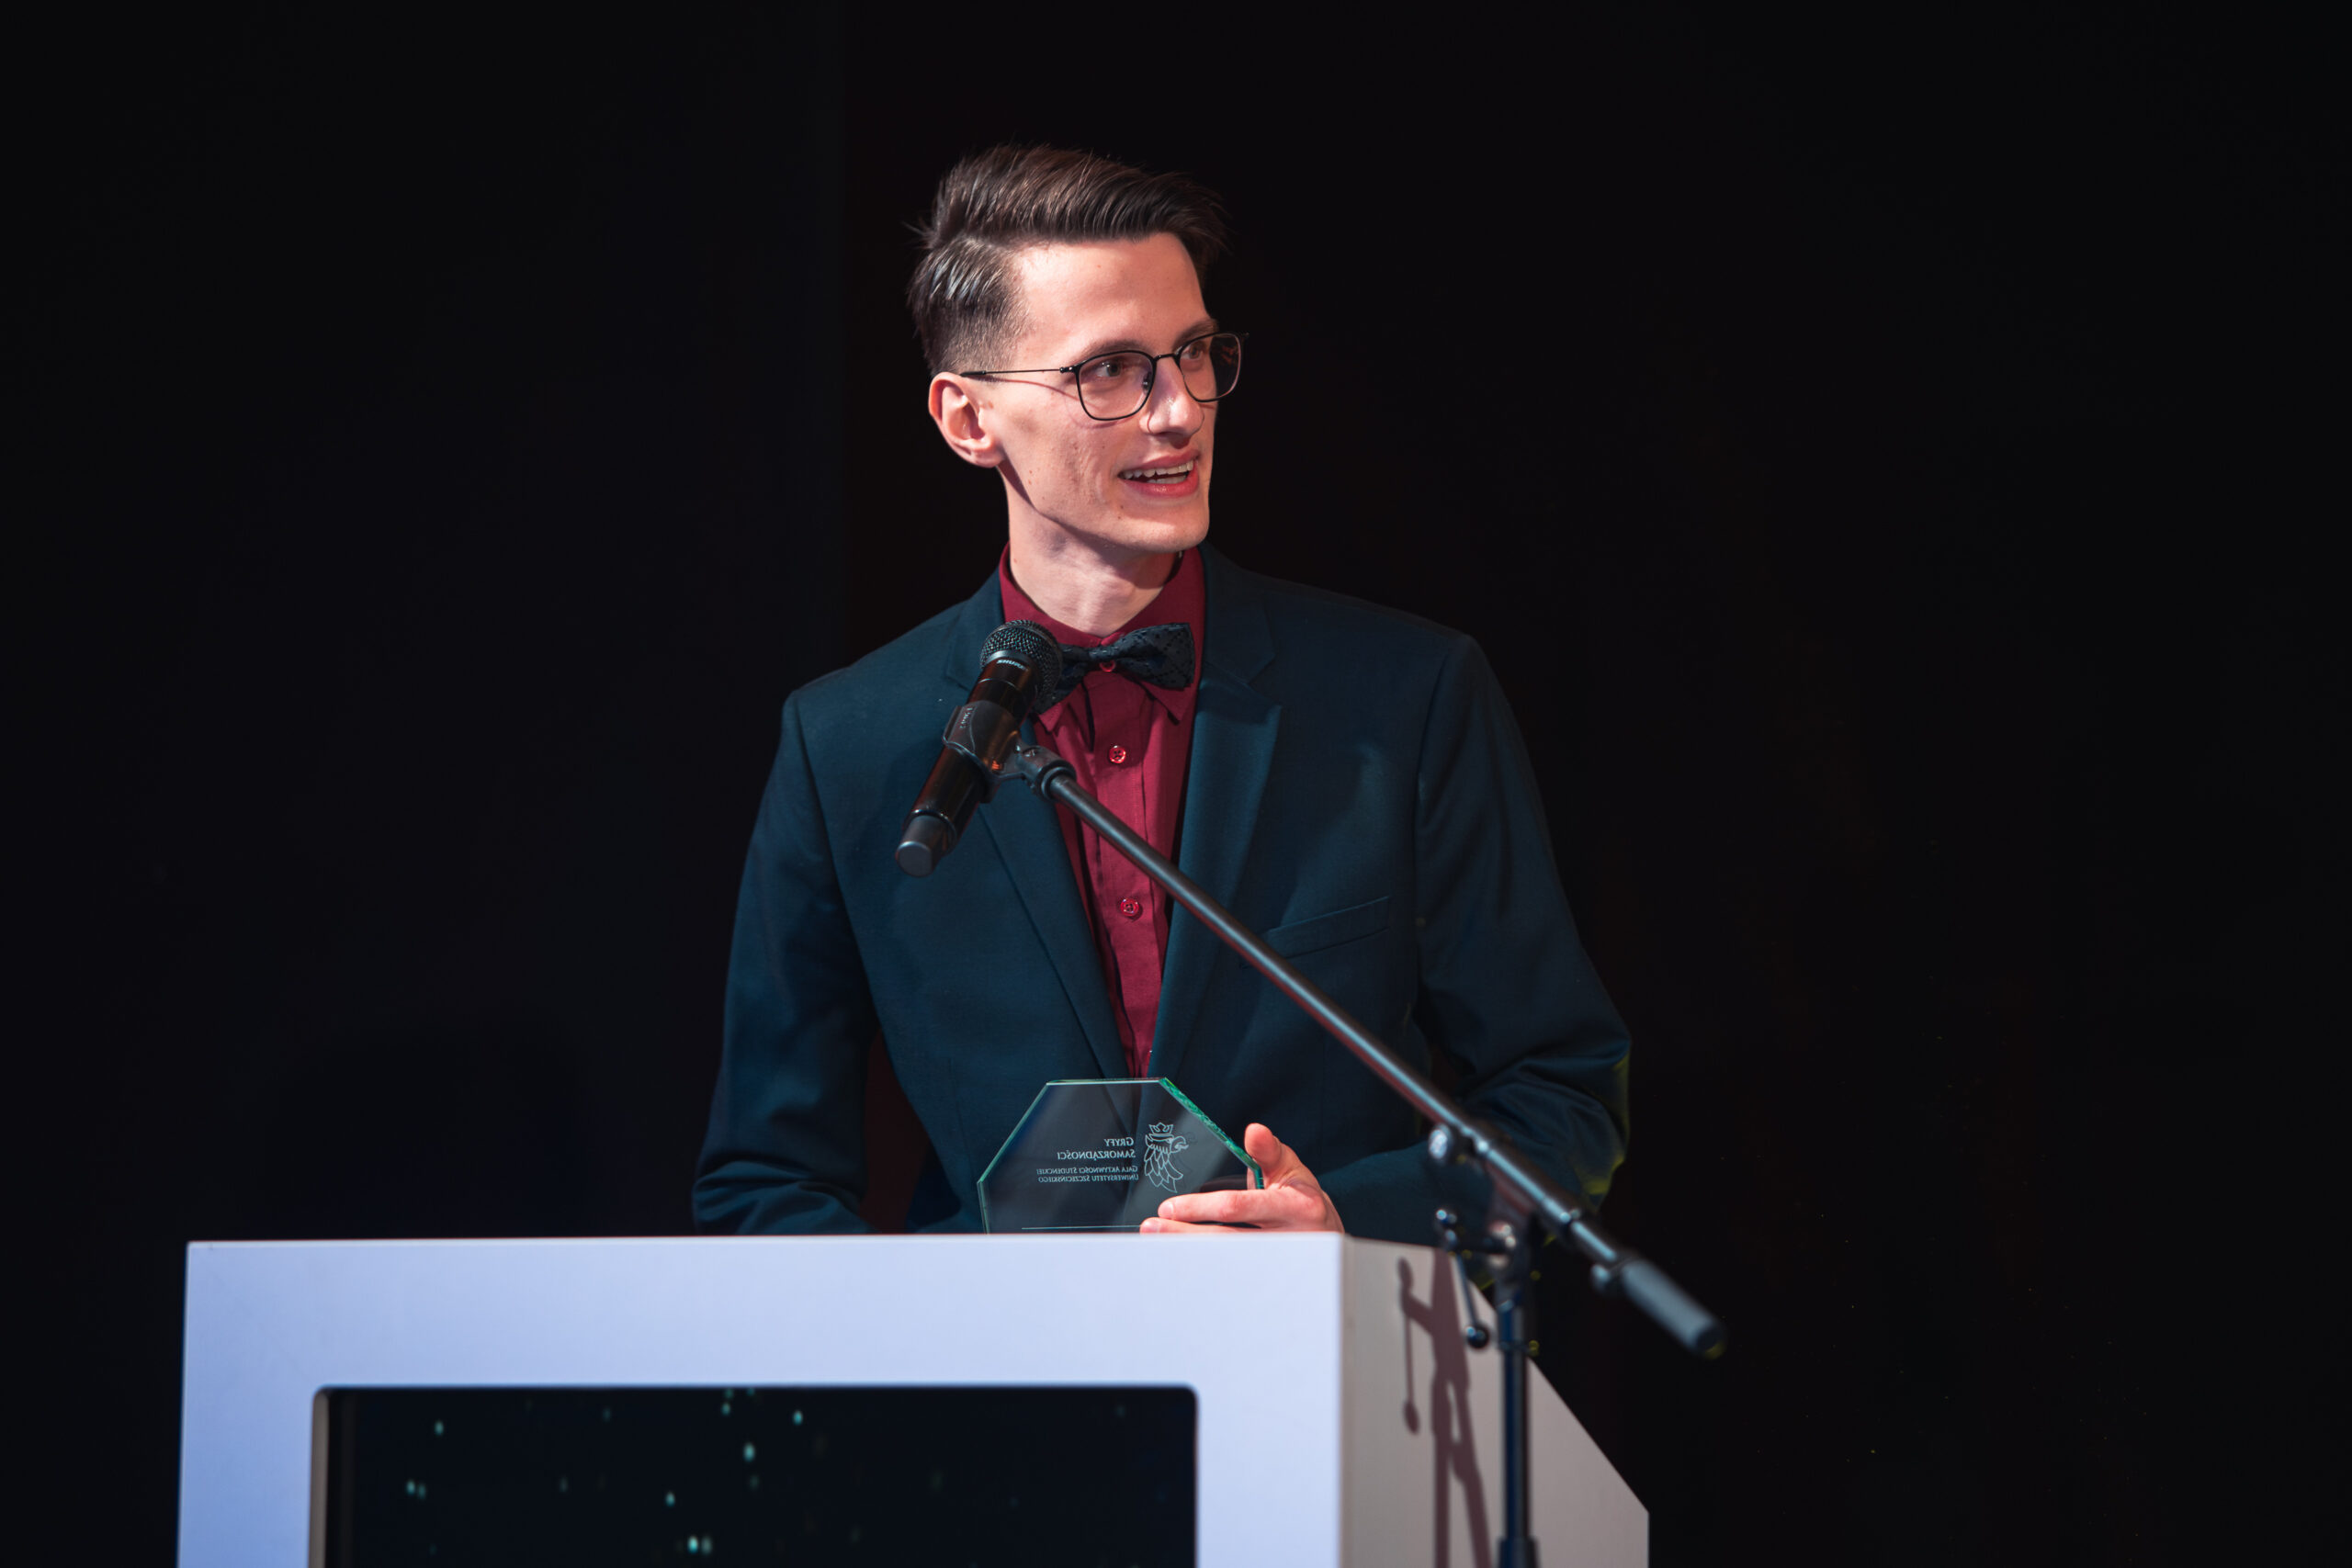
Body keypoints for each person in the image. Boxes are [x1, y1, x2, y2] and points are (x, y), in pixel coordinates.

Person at [694, 146, 1629, 1243]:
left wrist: (1350, 1226)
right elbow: (766, 1182)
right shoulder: (846, 741)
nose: (1180, 411)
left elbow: (1559, 1100)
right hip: (1000, 1350)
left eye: (1194, 354)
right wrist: (936, 1332)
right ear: (967, 420)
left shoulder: (1405, 698)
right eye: (1110, 371)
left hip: (1314, 1342)